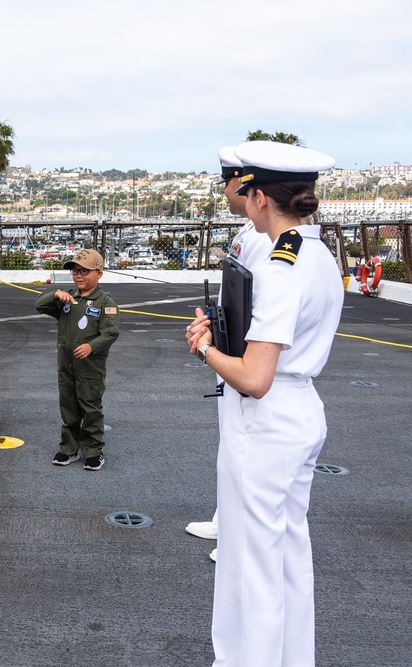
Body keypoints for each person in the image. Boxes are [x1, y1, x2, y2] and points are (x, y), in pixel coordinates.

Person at [186, 141, 340, 666]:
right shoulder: (313, 253)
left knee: (248, 565)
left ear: (256, 197)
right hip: (299, 413)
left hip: (265, 424)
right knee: (287, 558)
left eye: (240, 189)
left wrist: (205, 347)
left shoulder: (279, 266)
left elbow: (255, 378)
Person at [185, 146, 275, 563]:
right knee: (230, 449)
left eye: (227, 183)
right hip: (229, 355)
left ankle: (239, 539)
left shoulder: (267, 241)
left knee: (246, 456)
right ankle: (227, 520)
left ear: (244, 184)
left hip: (250, 367)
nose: (224, 191)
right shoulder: (248, 233)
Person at [36, 249, 120, 470]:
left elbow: (111, 333)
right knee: (69, 406)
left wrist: (92, 346)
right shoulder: (67, 299)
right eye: (75, 271)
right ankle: (69, 449)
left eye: (85, 271)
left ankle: (93, 450)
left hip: (90, 367)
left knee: (90, 407)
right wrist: (55, 295)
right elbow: (40, 306)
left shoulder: (105, 302)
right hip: (66, 365)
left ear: (99, 273)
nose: (79, 276)